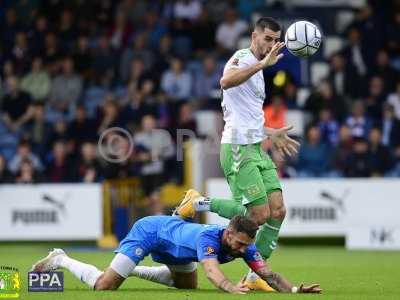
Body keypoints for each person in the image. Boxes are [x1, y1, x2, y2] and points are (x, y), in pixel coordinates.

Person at [174, 17, 299, 290]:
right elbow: (225, 81)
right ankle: (199, 203)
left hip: (255, 146)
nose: (270, 45)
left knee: (277, 211)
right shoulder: (242, 58)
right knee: (257, 214)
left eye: (274, 40)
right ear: (254, 36)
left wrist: (271, 132)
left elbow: (247, 116)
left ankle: (254, 278)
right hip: (237, 149)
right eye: (266, 38)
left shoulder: (258, 71)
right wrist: (261, 65)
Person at [31, 215, 321, 294]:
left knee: (187, 287)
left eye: (247, 246)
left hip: (177, 253)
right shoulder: (209, 238)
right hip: (150, 233)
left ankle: (129, 269)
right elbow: (211, 271)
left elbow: (267, 273)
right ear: (229, 234)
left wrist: (294, 290)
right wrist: (232, 288)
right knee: (105, 285)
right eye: (241, 244)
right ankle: (60, 258)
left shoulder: (245, 244)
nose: (244, 250)